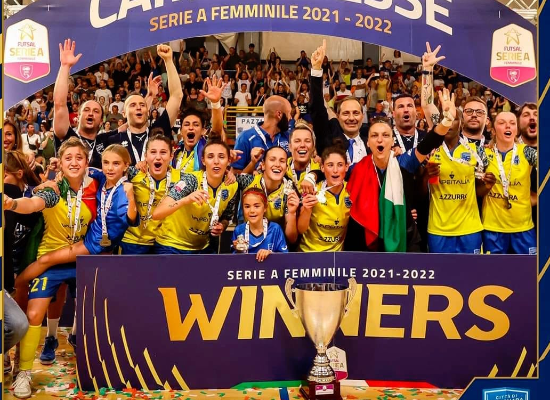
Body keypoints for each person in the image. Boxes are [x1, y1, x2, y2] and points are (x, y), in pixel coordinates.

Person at [3, 138, 99, 399]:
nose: (74, 162)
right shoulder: (53, 190)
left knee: (96, 310)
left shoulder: (96, 188)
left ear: (86, 162)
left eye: (79, 158)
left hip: (83, 260)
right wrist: (12, 203)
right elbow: (33, 204)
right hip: (50, 259)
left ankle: (96, 366)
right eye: (68, 158)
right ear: (60, 163)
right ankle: (24, 372)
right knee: (34, 314)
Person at [12, 145, 137, 306]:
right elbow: (87, 169)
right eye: (106, 163)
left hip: (96, 243)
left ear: (125, 165)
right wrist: (45, 182)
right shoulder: (101, 177)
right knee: (48, 262)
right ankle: (15, 286)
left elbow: (130, 219)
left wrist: (131, 197)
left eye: (116, 164)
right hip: (93, 237)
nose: (110, 168)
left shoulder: (122, 191)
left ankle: (13, 285)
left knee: (46, 260)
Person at [344, 87, 458, 252]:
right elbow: (331, 174)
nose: (380, 140)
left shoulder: (402, 162)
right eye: (374, 135)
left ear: (392, 141)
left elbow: (428, 144)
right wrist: (312, 176)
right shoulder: (357, 168)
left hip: (403, 234)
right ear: (367, 142)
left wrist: (447, 119)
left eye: (385, 135)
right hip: (366, 237)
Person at [152, 138, 239, 254]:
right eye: (210, 157)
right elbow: (157, 213)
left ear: (228, 161)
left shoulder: (232, 185)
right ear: (203, 160)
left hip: (201, 248)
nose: (216, 161)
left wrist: (222, 226)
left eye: (221, 157)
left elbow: (226, 217)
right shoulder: (191, 180)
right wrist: (186, 200)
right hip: (171, 245)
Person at [424, 111, 489, 253]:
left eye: (453, 119)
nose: (448, 122)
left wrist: (488, 186)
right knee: (440, 268)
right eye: (443, 118)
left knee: (472, 268)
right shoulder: (429, 150)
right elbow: (420, 192)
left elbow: (479, 191)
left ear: (461, 123)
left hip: (469, 228)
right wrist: (426, 176)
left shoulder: (477, 151)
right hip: (439, 229)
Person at [107, 44, 183, 165]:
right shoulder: (113, 140)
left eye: (142, 105)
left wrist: (168, 60)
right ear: (124, 113)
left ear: (147, 111)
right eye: (132, 105)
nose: (138, 107)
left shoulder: (159, 130)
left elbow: (176, 96)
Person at [478, 111, 537, 254]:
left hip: (523, 228)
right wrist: (485, 184)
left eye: (512, 123)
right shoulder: (483, 153)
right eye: (502, 123)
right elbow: (475, 189)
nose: (508, 126)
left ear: (516, 129)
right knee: (493, 269)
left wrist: (537, 198)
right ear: (493, 130)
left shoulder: (527, 152)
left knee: (527, 269)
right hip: (493, 229)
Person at [310, 40, 368, 172]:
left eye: (355, 113)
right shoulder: (329, 141)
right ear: (338, 116)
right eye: (346, 113)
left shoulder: (371, 144)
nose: (351, 118)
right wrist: (317, 69)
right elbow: (317, 109)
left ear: (362, 115)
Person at [119, 134, 181, 254]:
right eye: (153, 152)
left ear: (171, 156)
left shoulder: (182, 178)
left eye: (163, 152)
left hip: (165, 243)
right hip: (133, 241)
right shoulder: (132, 173)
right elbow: (108, 171)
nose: (158, 157)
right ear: (145, 156)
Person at [235, 146, 300, 245]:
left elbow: (292, 239)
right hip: (246, 243)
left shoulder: (289, 192)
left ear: (286, 168)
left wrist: (292, 213)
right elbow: (224, 180)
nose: (277, 164)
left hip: (274, 246)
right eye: (272, 160)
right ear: (263, 165)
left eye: (282, 161)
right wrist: (228, 158)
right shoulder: (249, 182)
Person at [297, 141, 351, 252]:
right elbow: (301, 229)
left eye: (340, 165)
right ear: (322, 167)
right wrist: (307, 209)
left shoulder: (352, 191)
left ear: (346, 167)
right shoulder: (312, 190)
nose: (335, 170)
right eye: (330, 165)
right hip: (309, 253)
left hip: (336, 257)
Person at [231, 96, 293, 172]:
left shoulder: (288, 136)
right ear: (279, 114)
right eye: (289, 113)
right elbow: (235, 176)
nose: (291, 118)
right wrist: (253, 164)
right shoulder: (245, 138)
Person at [232, 187, 288, 262]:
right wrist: (238, 251)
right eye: (247, 206)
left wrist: (271, 254)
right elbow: (233, 262)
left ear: (265, 207)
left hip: (270, 269)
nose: (252, 211)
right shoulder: (239, 230)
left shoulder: (275, 229)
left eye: (256, 206)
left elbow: (285, 259)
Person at [286, 122, 320, 193]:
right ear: (290, 147)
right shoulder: (281, 168)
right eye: (297, 141)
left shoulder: (322, 170)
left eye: (307, 141)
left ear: (313, 147)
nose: (302, 145)